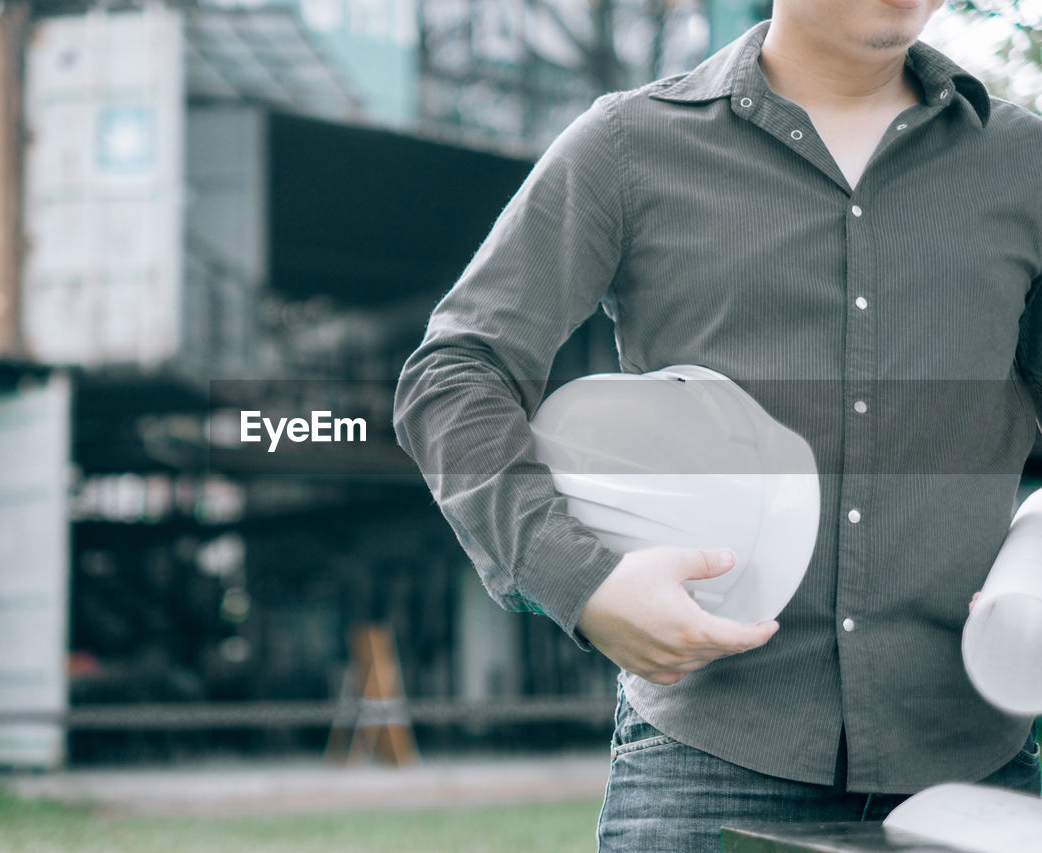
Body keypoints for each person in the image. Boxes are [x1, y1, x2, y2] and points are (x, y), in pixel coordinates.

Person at [392, 1, 1042, 850]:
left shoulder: (1023, 164)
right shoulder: (628, 145)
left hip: (974, 767)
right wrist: (581, 582)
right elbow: (453, 374)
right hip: (704, 763)